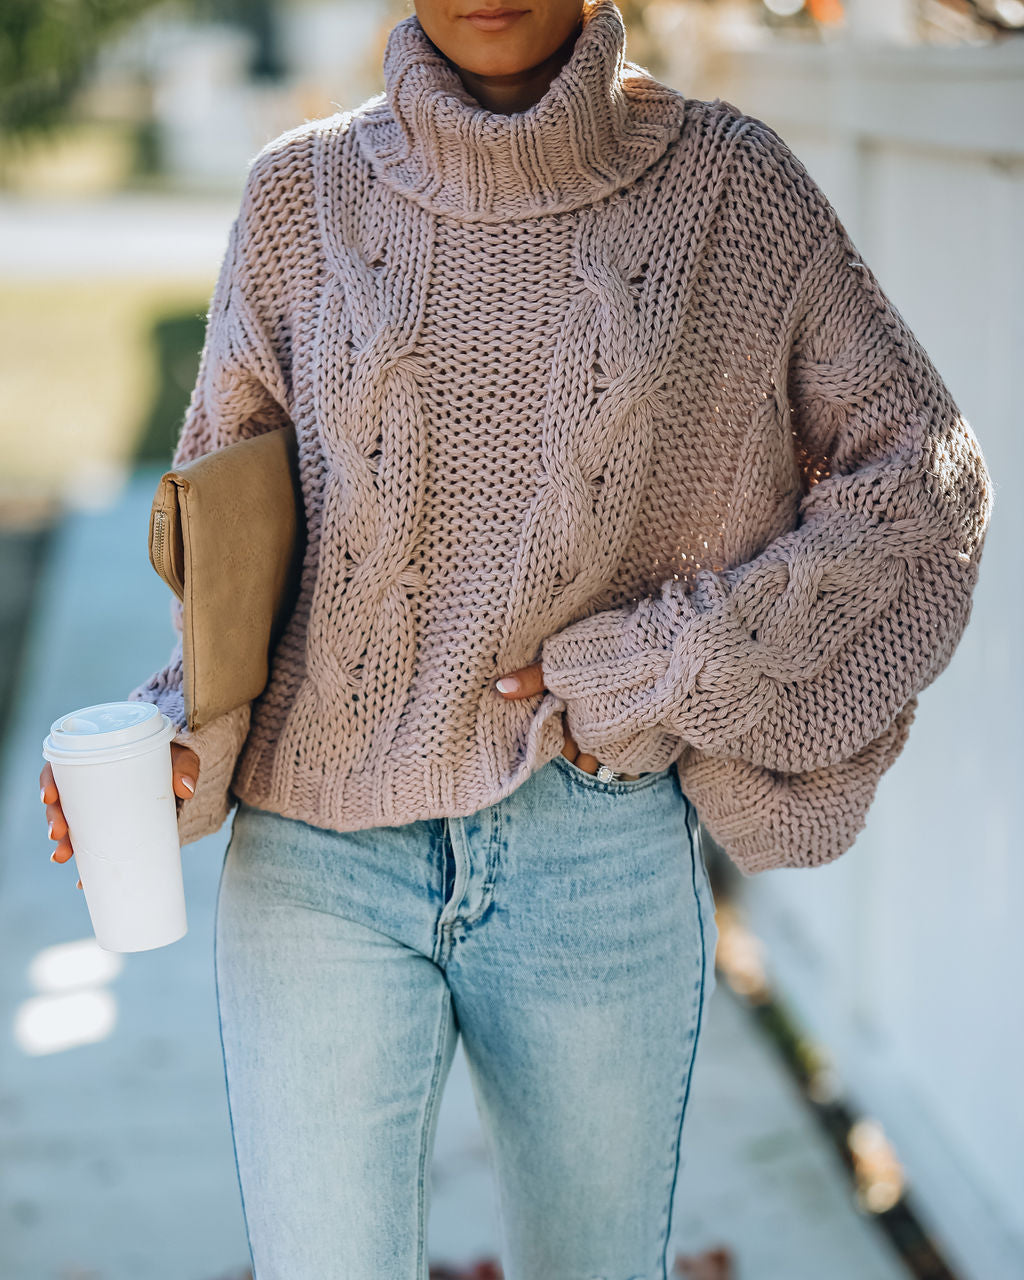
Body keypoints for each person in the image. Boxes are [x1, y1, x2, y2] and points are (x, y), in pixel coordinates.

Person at [40, 0, 992, 1276]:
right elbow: (225, 551)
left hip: (594, 852)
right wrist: (175, 734)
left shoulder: (730, 191)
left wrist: (666, 661)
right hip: (320, 861)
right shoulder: (297, 199)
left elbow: (923, 484)